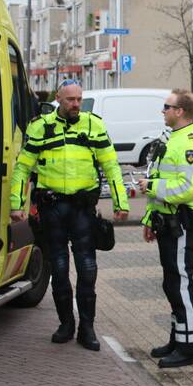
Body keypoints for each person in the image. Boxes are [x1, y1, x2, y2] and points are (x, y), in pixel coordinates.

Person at [10, 80, 129, 351]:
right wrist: (16, 204)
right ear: (58, 99)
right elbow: (22, 169)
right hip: (53, 210)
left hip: (82, 210)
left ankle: (87, 328)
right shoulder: (40, 127)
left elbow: (111, 166)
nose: (76, 104)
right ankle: (66, 324)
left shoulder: (93, 125)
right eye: (70, 100)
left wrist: (121, 202)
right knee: (60, 270)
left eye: (79, 99)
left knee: (88, 270)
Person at [137, 89, 193, 368]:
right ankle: (177, 338)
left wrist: (152, 187)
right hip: (166, 220)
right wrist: (148, 219)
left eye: (167, 107)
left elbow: (188, 188)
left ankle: (189, 348)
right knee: (172, 284)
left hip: (181, 222)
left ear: (180, 111)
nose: (163, 111)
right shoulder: (172, 139)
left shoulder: (189, 144)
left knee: (180, 284)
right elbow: (160, 177)